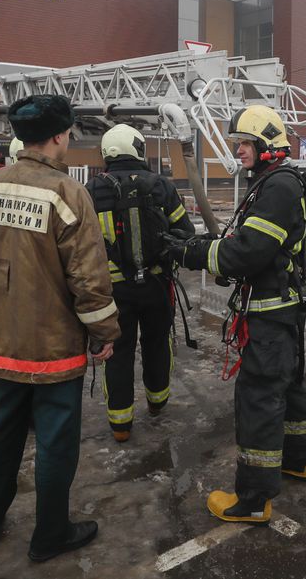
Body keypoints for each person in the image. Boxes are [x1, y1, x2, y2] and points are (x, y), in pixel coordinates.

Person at [0, 94, 120, 563]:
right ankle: (50, 533)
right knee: (55, 439)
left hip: (0, 337)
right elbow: (88, 277)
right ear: (58, 135)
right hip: (52, 343)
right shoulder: (67, 192)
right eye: (68, 132)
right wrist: (104, 332)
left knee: (2, 426)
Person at [172, 103, 306, 525]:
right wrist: (207, 247)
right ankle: (299, 459)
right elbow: (247, 242)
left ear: (267, 144)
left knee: (258, 398)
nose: (238, 150)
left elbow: (248, 253)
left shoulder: (279, 187)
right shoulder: (271, 182)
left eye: (245, 143)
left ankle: (253, 499)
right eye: (237, 143)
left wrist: (191, 254)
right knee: (287, 385)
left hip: (270, 314)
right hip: (279, 310)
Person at [85, 123, 195, 442]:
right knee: (157, 344)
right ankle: (157, 403)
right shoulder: (162, 186)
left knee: (117, 352)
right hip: (157, 286)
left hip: (113, 292)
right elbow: (185, 233)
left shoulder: (91, 190)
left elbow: (82, 245)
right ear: (138, 149)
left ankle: (120, 425)